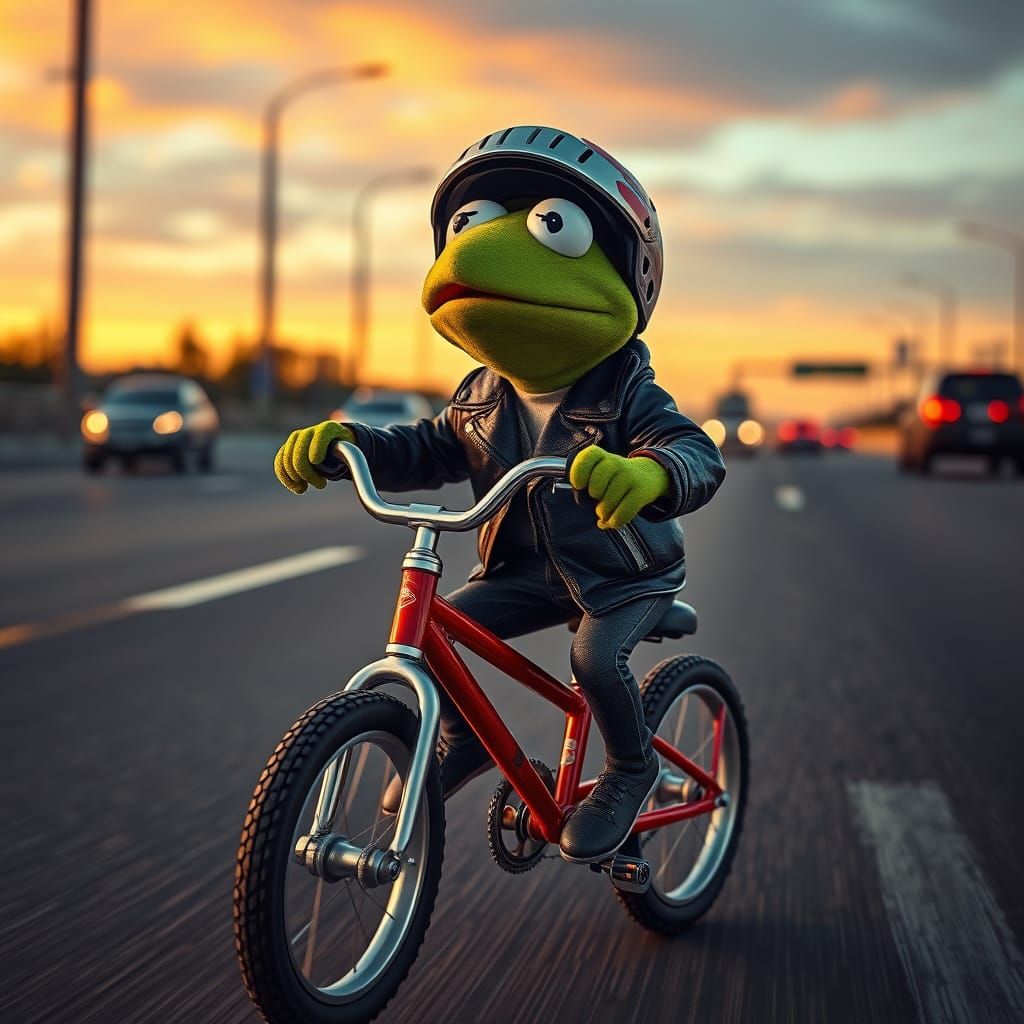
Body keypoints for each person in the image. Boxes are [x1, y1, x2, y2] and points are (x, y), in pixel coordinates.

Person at [274, 126, 726, 864]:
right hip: (528, 571)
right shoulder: (481, 395)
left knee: (594, 659)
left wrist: (649, 474)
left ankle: (630, 768)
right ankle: (462, 739)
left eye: (551, 228)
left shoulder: (627, 388)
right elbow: (428, 447)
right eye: (470, 226)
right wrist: (350, 443)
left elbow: (693, 452)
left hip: (622, 571)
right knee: (439, 631)